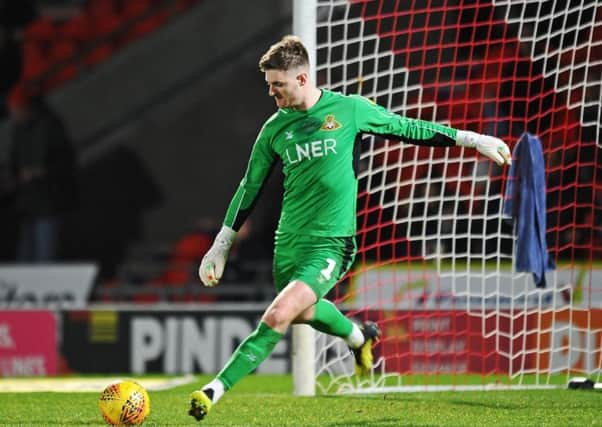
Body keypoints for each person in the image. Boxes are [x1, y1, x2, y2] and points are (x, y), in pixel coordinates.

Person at [188, 35, 511, 421]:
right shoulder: (274, 129)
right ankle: (359, 336)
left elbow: (407, 128)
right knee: (304, 314)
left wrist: (471, 139)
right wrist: (221, 244)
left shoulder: (349, 110)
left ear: (303, 79)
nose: (271, 91)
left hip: (331, 244)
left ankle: (212, 390)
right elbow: (249, 186)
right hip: (288, 244)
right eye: (269, 84)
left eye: (278, 84)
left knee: (278, 316)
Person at [8, 87, 78, 262]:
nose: (14, 113)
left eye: (16, 109)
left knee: (45, 258)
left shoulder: (50, 126)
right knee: (24, 258)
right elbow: (14, 161)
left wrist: (39, 171)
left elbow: (65, 161)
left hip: (48, 202)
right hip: (26, 204)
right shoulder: (19, 131)